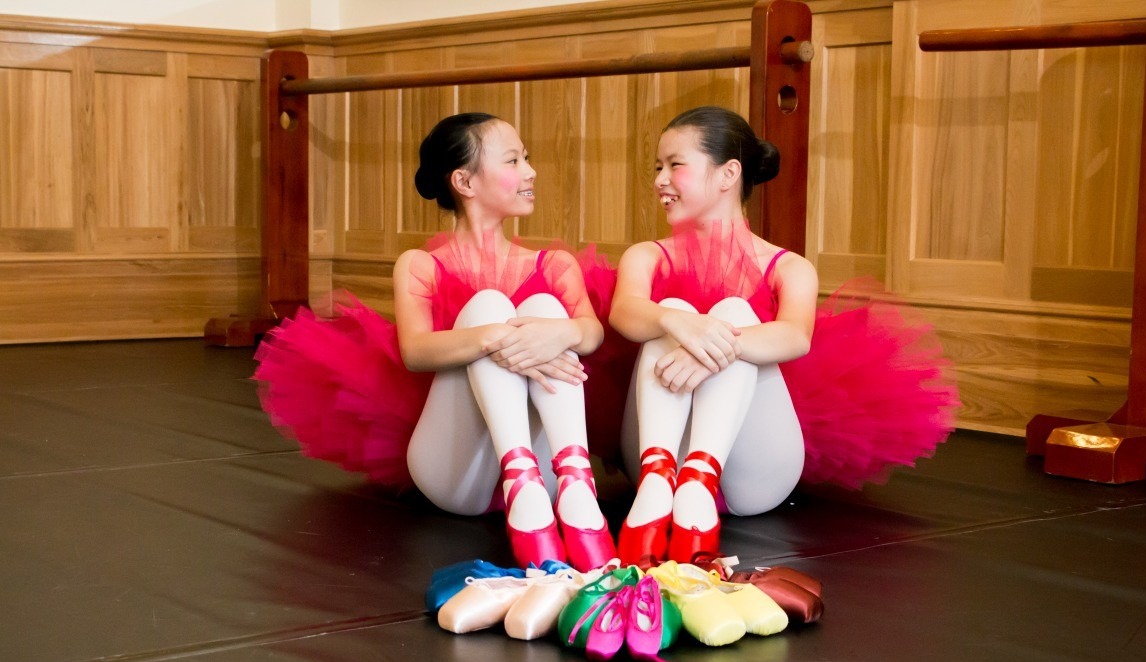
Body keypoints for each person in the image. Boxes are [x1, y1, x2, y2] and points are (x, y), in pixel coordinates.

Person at [256, 113, 616, 570]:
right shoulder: (420, 265)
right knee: (489, 306)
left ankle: (576, 486)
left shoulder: (554, 265)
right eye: (513, 160)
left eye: (527, 158)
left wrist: (564, 331)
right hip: (455, 470)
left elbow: (592, 332)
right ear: (464, 181)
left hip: (549, 474)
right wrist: (497, 336)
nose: (530, 172)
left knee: (546, 308)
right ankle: (520, 479)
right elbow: (416, 352)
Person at [609, 106, 957, 565]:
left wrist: (710, 345)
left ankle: (699, 481)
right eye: (658, 167)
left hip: (754, 470)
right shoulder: (646, 256)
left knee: (733, 312)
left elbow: (795, 336)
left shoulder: (789, 267)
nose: (660, 180)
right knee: (670, 311)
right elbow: (625, 312)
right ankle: (660, 483)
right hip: (658, 456)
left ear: (728, 174)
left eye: (675, 165)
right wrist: (679, 323)